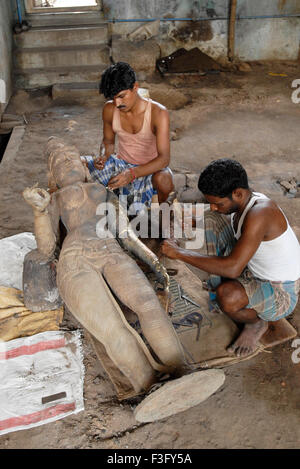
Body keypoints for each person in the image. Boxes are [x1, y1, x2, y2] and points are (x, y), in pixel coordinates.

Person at [23, 137, 187, 395]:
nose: (66, 160)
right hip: (74, 259)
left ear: (84, 164)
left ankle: (182, 369)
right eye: (58, 160)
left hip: (110, 249)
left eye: (71, 155)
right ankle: (147, 385)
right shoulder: (53, 201)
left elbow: (126, 236)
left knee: (147, 304)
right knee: (111, 327)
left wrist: (154, 263)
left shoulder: (101, 192)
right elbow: (46, 249)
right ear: (52, 174)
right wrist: (40, 213)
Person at [161, 158, 300, 358]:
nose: (214, 206)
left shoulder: (261, 213)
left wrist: (179, 253)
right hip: (254, 269)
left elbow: (234, 268)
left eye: (218, 203)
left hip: (280, 292)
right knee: (211, 218)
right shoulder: (245, 203)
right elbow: (215, 215)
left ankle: (256, 323)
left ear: (238, 193)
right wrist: (189, 221)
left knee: (227, 296)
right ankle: (218, 284)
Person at [85, 62, 174, 212]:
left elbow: (164, 159)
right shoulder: (109, 109)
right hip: (121, 166)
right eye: (113, 98)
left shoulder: (158, 113)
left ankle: (168, 222)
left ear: (135, 87)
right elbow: (108, 142)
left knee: (164, 179)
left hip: (148, 171)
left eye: (121, 96)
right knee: (80, 165)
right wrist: (104, 156)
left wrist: (132, 174)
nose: (117, 103)